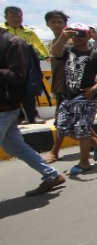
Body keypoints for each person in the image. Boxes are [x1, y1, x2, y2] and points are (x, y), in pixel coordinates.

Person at [0, 26, 66, 196]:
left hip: (6, 106)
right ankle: (51, 175)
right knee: (15, 147)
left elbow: (17, 76)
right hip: (6, 107)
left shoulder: (15, 44)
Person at [43, 11, 97, 164]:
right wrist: (64, 37)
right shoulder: (66, 49)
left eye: (82, 34)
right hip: (64, 91)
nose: (78, 37)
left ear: (89, 36)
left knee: (82, 128)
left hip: (85, 97)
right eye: (75, 35)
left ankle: (84, 161)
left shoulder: (95, 54)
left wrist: (93, 89)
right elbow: (56, 52)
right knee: (62, 126)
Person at [1, 6, 48, 124]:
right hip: (8, 64)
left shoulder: (28, 31)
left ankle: (33, 116)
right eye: (13, 17)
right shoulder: (2, 30)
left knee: (29, 90)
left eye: (19, 16)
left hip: (27, 65)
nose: (16, 19)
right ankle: (19, 117)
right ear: (6, 17)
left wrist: (47, 56)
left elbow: (40, 44)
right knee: (12, 90)